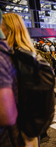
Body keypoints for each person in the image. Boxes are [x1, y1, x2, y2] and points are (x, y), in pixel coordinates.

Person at [1, 12, 38, 146]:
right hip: (31, 127)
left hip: (17, 131)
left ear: (7, 30)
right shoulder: (30, 54)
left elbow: (6, 115)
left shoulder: (9, 57)